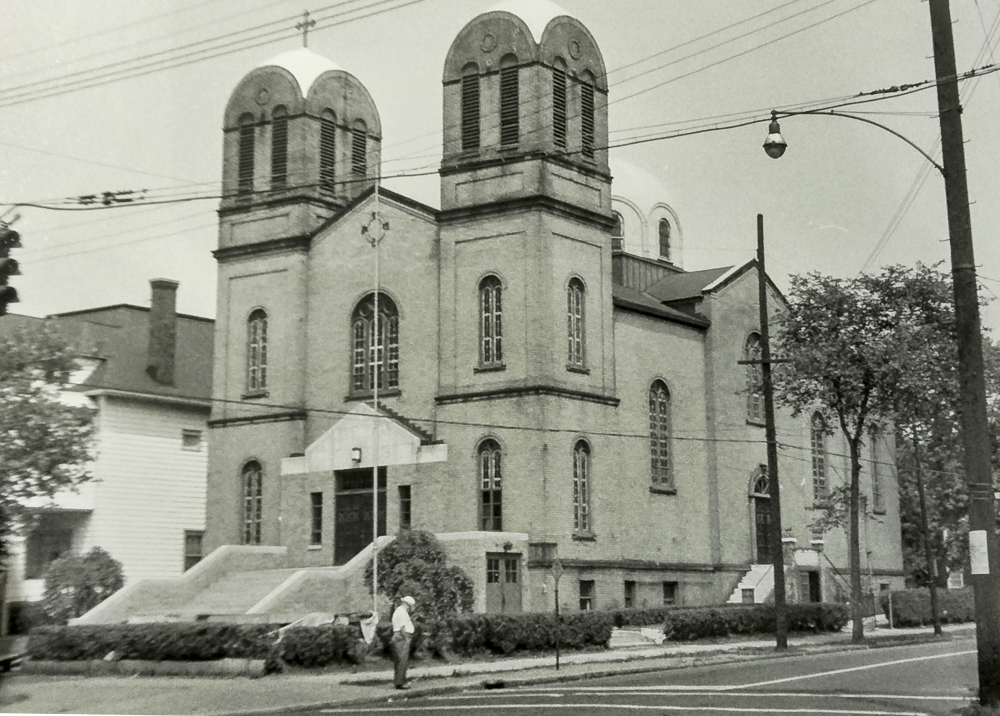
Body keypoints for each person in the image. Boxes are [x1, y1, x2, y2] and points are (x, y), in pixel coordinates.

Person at [391, 595, 416, 690]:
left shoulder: (400, 611)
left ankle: (400, 680)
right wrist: (406, 638)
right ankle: (400, 682)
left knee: (400, 660)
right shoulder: (401, 612)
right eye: (410, 606)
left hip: (400, 636)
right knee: (402, 660)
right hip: (401, 637)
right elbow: (402, 627)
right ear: (407, 605)